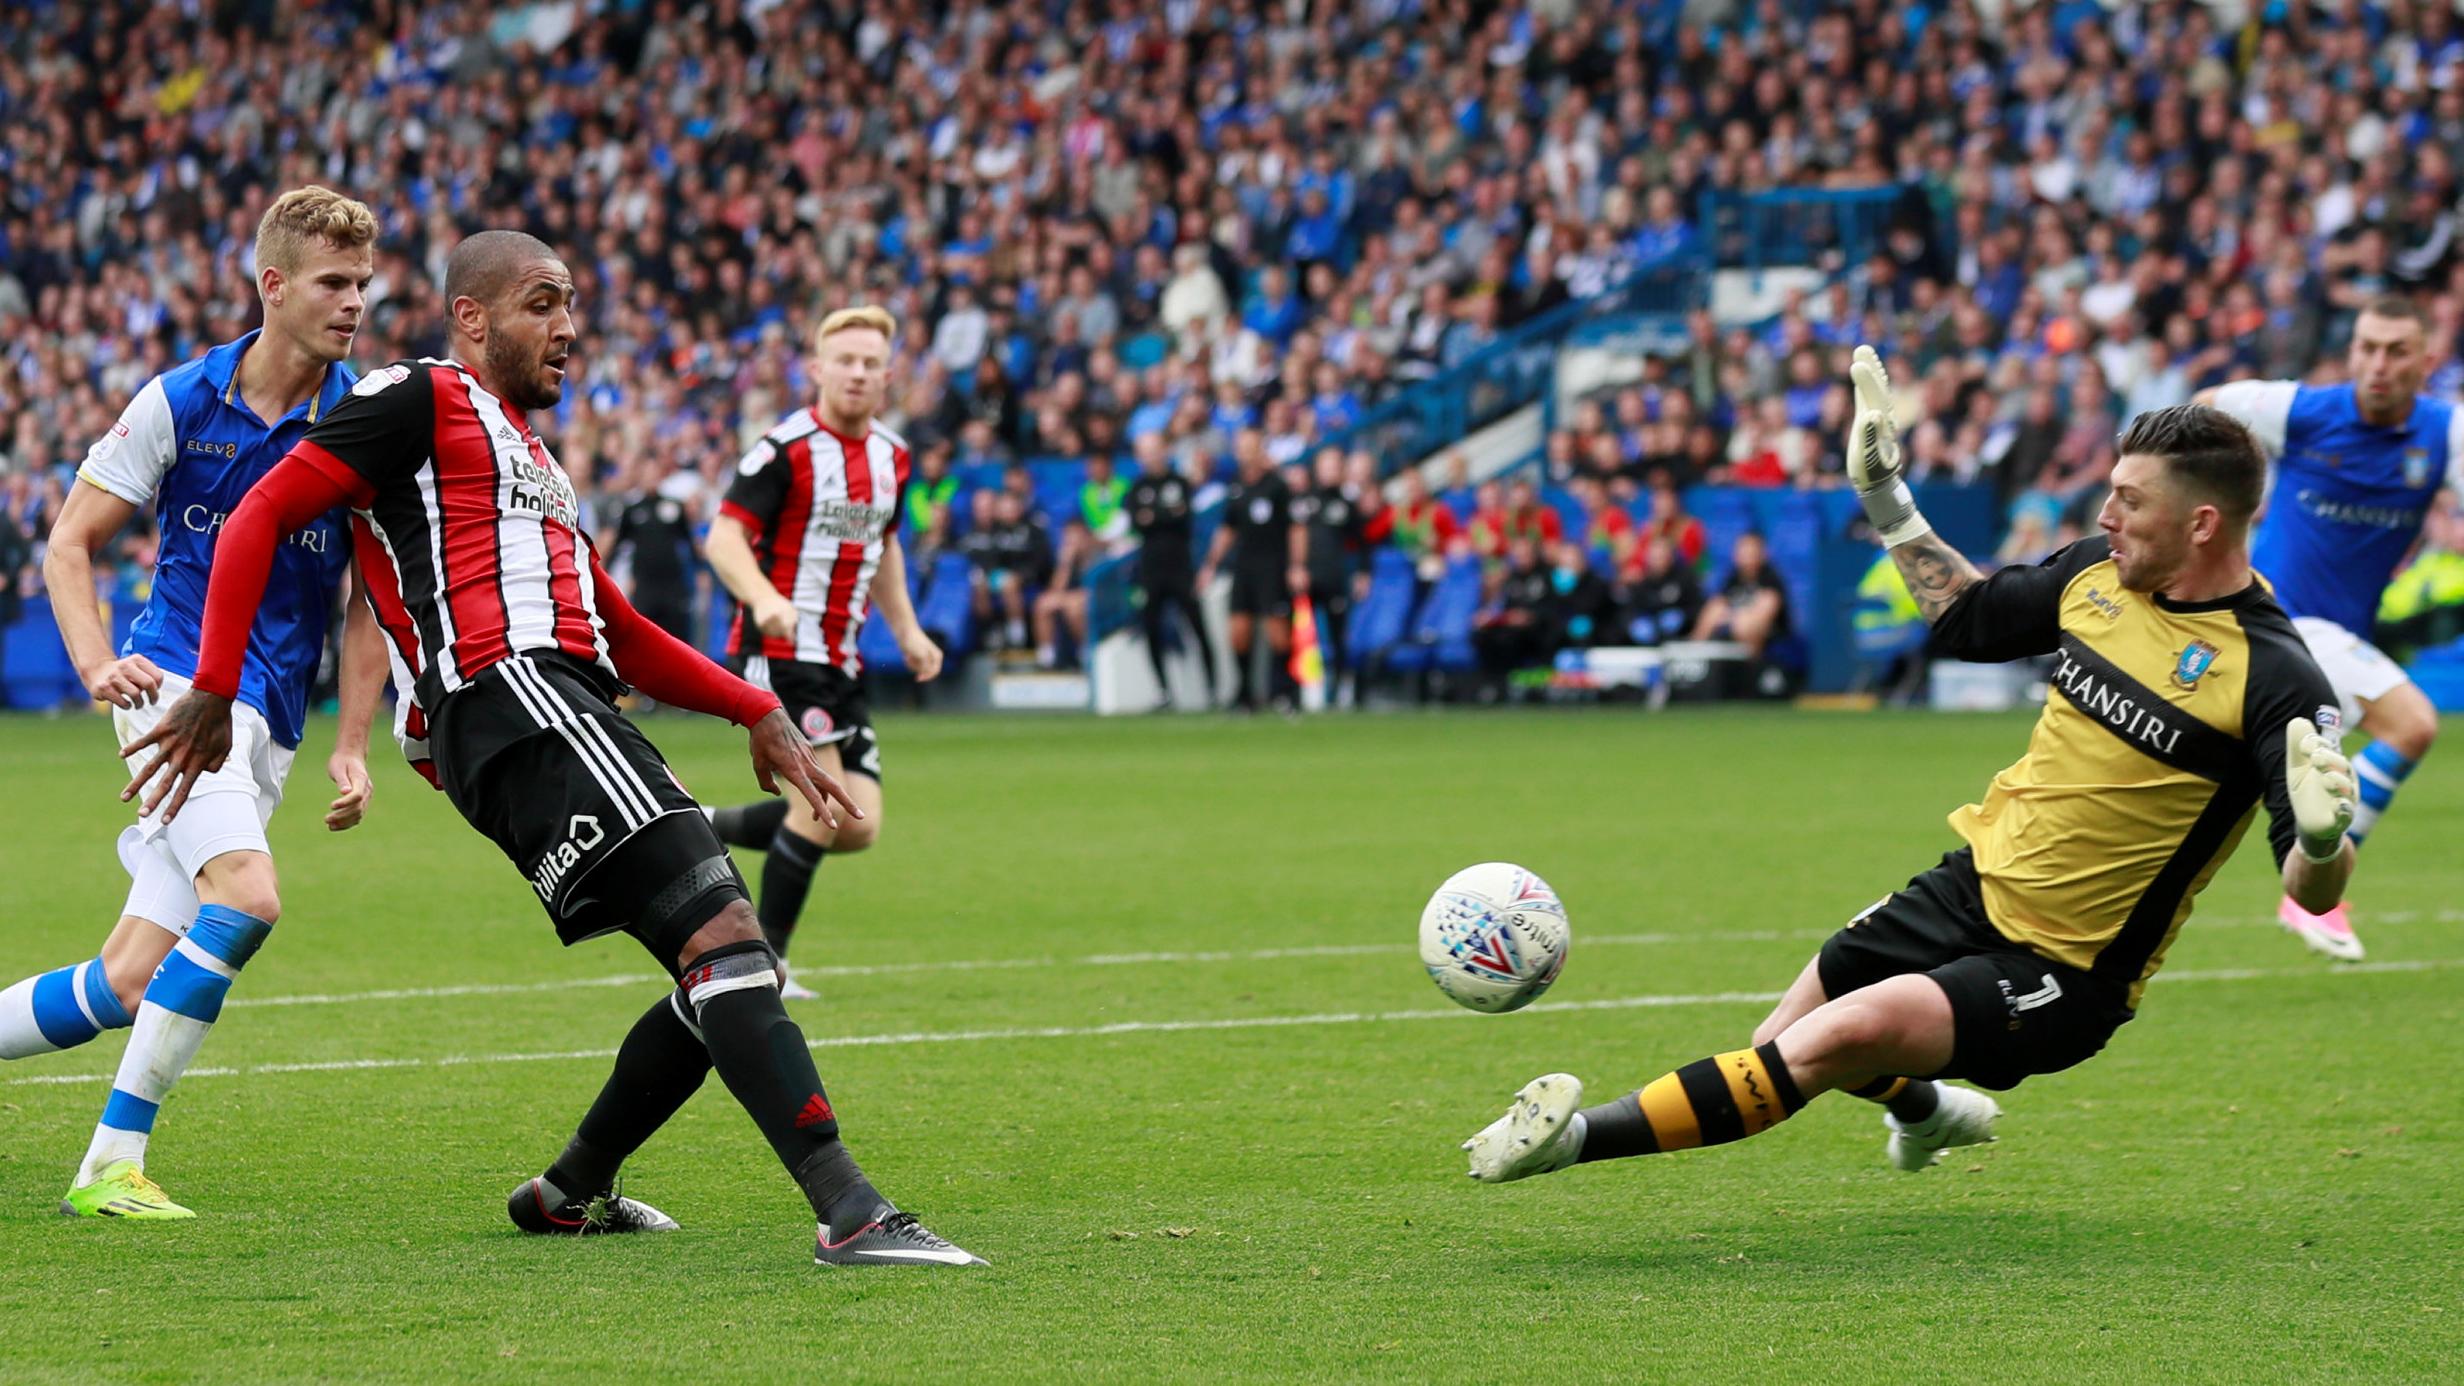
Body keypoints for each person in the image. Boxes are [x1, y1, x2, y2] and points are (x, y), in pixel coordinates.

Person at [121, 233, 980, 1266]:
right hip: (513, 696)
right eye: (543, 303)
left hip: (554, 700)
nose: (568, 327)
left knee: (713, 964)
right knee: (725, 935)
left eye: (572, 305)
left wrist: (751, 706)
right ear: (473, 317)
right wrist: (214, 681)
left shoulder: (535, 464)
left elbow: (616, 625)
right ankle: (851, 1211)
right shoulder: (414, 394)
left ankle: (570, 1190)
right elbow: (259, 511)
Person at [1464, 350, 2358, 1189]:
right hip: (1968, 886)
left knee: (1838, 1038)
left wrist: (2322, 839)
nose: (2103, 517)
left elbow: (2313, 890)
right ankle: (1926, 1113)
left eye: (2129, 500)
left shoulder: (2275, 677)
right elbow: (1967, 618)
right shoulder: (2097, 577)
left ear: (2201, 523)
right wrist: (1884, 494)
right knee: (1781, 1041)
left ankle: (1570, 1140)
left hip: (2067, 969)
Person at [0, 188, 390, 1220]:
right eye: (332, 283)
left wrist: (354, 743)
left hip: (271, 721)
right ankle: (109, 1165)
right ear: (273, 285)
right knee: (248, 897)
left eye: (362, 283)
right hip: (175, 690)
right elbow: (69, 541)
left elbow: (368, 609)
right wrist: (92, 665)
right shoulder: (179, 399)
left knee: (126, 980)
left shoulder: (362, 427)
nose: (354, 302)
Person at [2193, 295, 2463, 961]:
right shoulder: (2303, 410)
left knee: (2215, 791)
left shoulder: (2444, 433)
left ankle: (2310, 876)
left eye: (2397, 351)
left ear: (2426, 361)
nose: (2378, 364)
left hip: (2331, 643)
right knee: (2413, 724)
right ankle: (2317, 885)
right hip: (2280, 621)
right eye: (2367, 348)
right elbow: (2200, 409)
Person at [697, 306, 945, 1004]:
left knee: (857, 825)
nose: (859, 373)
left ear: (889, 375)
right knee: (817, 811)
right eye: (847, 361)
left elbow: (886, 545)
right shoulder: (786, 448)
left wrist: (908, 630)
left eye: (872, 363)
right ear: (818, 370)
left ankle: (704, 824)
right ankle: (762, 966)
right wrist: (764, 598)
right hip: (780, 653)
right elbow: (723, 539)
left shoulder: (891, 456)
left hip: (839, 659)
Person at [1197, 429, 1293, 712]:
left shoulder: (1277, 486)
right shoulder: (1236, 486)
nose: (1243, 452)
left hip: (1272, 565)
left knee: (1277, 631)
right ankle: (1245, 693)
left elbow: (1294, 529)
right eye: (1239, 447)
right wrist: (1210, 564)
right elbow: (1228, 529)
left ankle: (1284, 691)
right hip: (1244, 566)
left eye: (1248, 446)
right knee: (1238, 631)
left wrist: (1295, 565)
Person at [1125, 434, 1216, 710]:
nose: (1151, 457)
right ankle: (1163, 691)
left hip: (1181, 568)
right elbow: (1138, 522)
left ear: (1164, 451)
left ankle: (1212, 689)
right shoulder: (1137, 486)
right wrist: (1166, 514)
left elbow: (1182, 517)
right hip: (1151, 570)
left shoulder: (1179, 483)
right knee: (1151, 629)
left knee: (1198, 627)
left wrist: (1155, 516)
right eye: (1145, 452)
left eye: (1155, 450)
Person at [1287, 446, 1365, 706]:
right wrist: (1297, 566)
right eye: (1325, 466)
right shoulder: (1305, 501)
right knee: (1305, 636)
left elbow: (1361, 541)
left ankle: (1342, 687)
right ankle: (1307, 689)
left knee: (1338, 634)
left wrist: (1363, 573)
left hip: (1335, 577)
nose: (1330, 471)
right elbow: (1295, 534)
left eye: (1334, 466)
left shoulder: (1346, 503)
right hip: (1309, 577)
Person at [601, 454, 701, 647]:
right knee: (644, 638)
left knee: (678, 640)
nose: (651, 477)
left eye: (655, 472)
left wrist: (700, 569)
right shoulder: (632, 510)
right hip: (645, 586)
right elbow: (618, 544)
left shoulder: (675, 506)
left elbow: (688, 541)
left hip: (673, 586)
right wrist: (606, 571)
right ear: (640, 476)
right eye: (647, 473)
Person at [1690, 530, 1793, 660]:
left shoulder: (1771, 578)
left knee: (1743, 623)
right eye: (1743, 551)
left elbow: (1766, 612)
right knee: (1715, 608)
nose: (1747, 556)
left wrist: (1733, 618)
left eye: (1751, 552)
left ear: (1762, 554)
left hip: (1770, 637)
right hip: (1733, 628)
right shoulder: (1733, 578)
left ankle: (1752, 669)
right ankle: (1694, 656)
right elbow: (1719, 603)